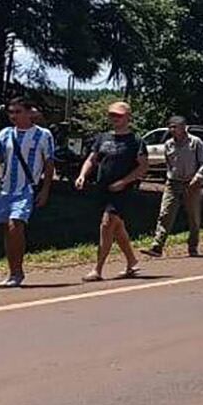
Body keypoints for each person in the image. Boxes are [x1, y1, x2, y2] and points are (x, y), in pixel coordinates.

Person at [0, 96, 55, 288]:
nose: (13, 116)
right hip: (5, 189)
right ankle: (13, 271)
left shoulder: (43, 135)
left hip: (26, 189)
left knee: (15, 225)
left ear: (29, 112)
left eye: (18, 112)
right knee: (8, 231)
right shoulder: (5, 134)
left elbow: (49, 164)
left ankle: (17, 273)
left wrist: (45, 190)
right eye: (11, 112)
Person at [75, 101, 147, 282]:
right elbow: (92, 159)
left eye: (119, 115)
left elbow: (143, 167)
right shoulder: (103, 138)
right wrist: (82, 175)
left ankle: (97, 269)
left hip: (123, 191)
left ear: (128, 117)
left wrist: (124, 182)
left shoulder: (136, 141)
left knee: (107, 224)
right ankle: (132, 262)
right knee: (117, 227)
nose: (114, 118)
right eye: (112, 115)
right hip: (103, 189)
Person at [144, 116, 203, 258]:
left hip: (191, 183)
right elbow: (168, 162)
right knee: (165, 213)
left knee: (193, 217)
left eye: (175, 127)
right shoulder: (168, 144)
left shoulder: (195, 142)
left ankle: (193, 247)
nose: (172, 130)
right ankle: (157, 246)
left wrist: (197, 177)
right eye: (170, 127)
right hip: (173, 183)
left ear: (183, 127)